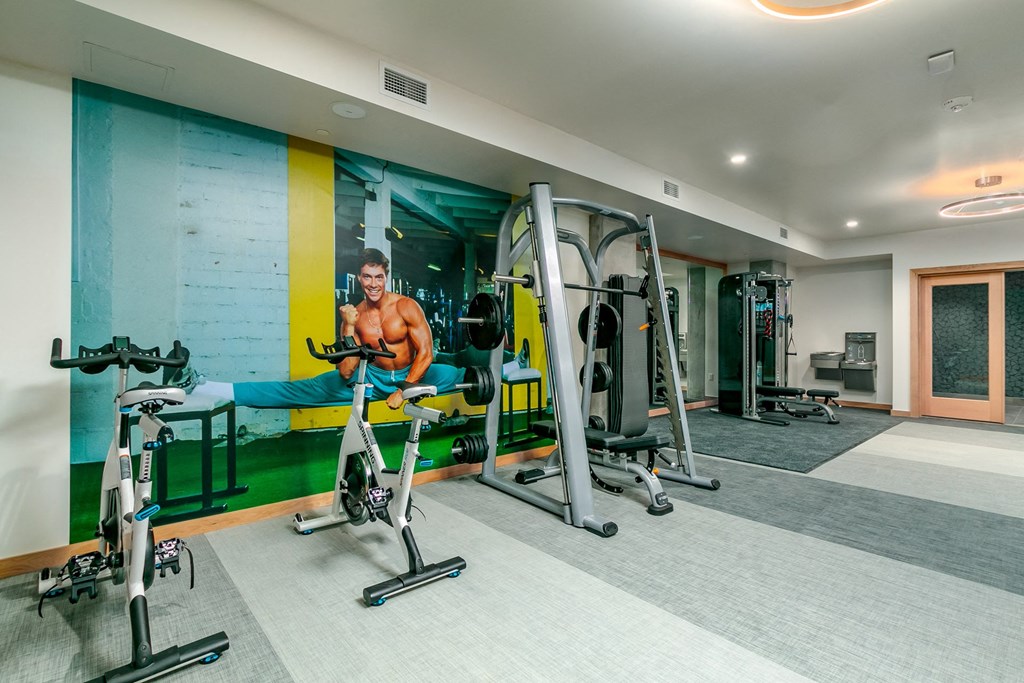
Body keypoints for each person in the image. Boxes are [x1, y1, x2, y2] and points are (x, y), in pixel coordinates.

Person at [188, 248, 465, 410]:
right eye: (367, 277)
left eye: (379, 277)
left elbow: (426, 353)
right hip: (373, 379)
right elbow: (346, 371)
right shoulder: (355, 313)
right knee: (301, 391)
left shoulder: (406, 306)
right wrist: (348, 326)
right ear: (359, 277)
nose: (373, 284)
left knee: (461, 376)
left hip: (412, 374)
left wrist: (404, 391)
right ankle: (210, 388)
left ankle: (508, 368)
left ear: (386, 277)